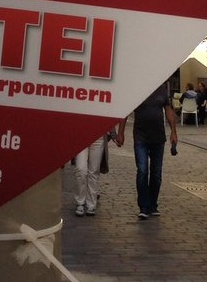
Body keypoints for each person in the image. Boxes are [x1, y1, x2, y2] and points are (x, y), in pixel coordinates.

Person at [116, 82, 178, 220]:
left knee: (156, 173)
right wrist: (120, 132)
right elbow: (125, 112)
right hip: (141, 137)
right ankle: (144, 207)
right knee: (142, 171)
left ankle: (153, 204)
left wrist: (173, 131)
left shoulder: (162, 90)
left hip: (158, 137)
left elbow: (168, 110)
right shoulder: (137, 89)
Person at [72, 125, 116, 217]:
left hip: (98, 135)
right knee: (81, 170)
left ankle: (91, 204)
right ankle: (80, 202)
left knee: (94, 171)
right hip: (80, 134)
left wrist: (113, 133)